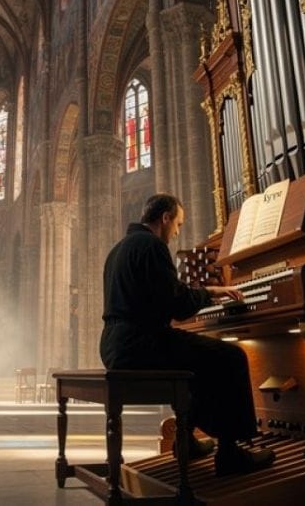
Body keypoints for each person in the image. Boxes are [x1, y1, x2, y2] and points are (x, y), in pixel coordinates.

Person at [99, 194, 275, 477]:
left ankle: (186, 440)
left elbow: (158, 296)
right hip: (141, 343)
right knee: (229, 356)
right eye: (178, 224)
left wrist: (201, 294)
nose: (177, 232)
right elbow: (178, 305)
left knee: (193, 360)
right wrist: (208, 293)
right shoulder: (152, 245)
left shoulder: (119, 249)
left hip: (114, 344)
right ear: (165, 218)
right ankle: (230, 454)